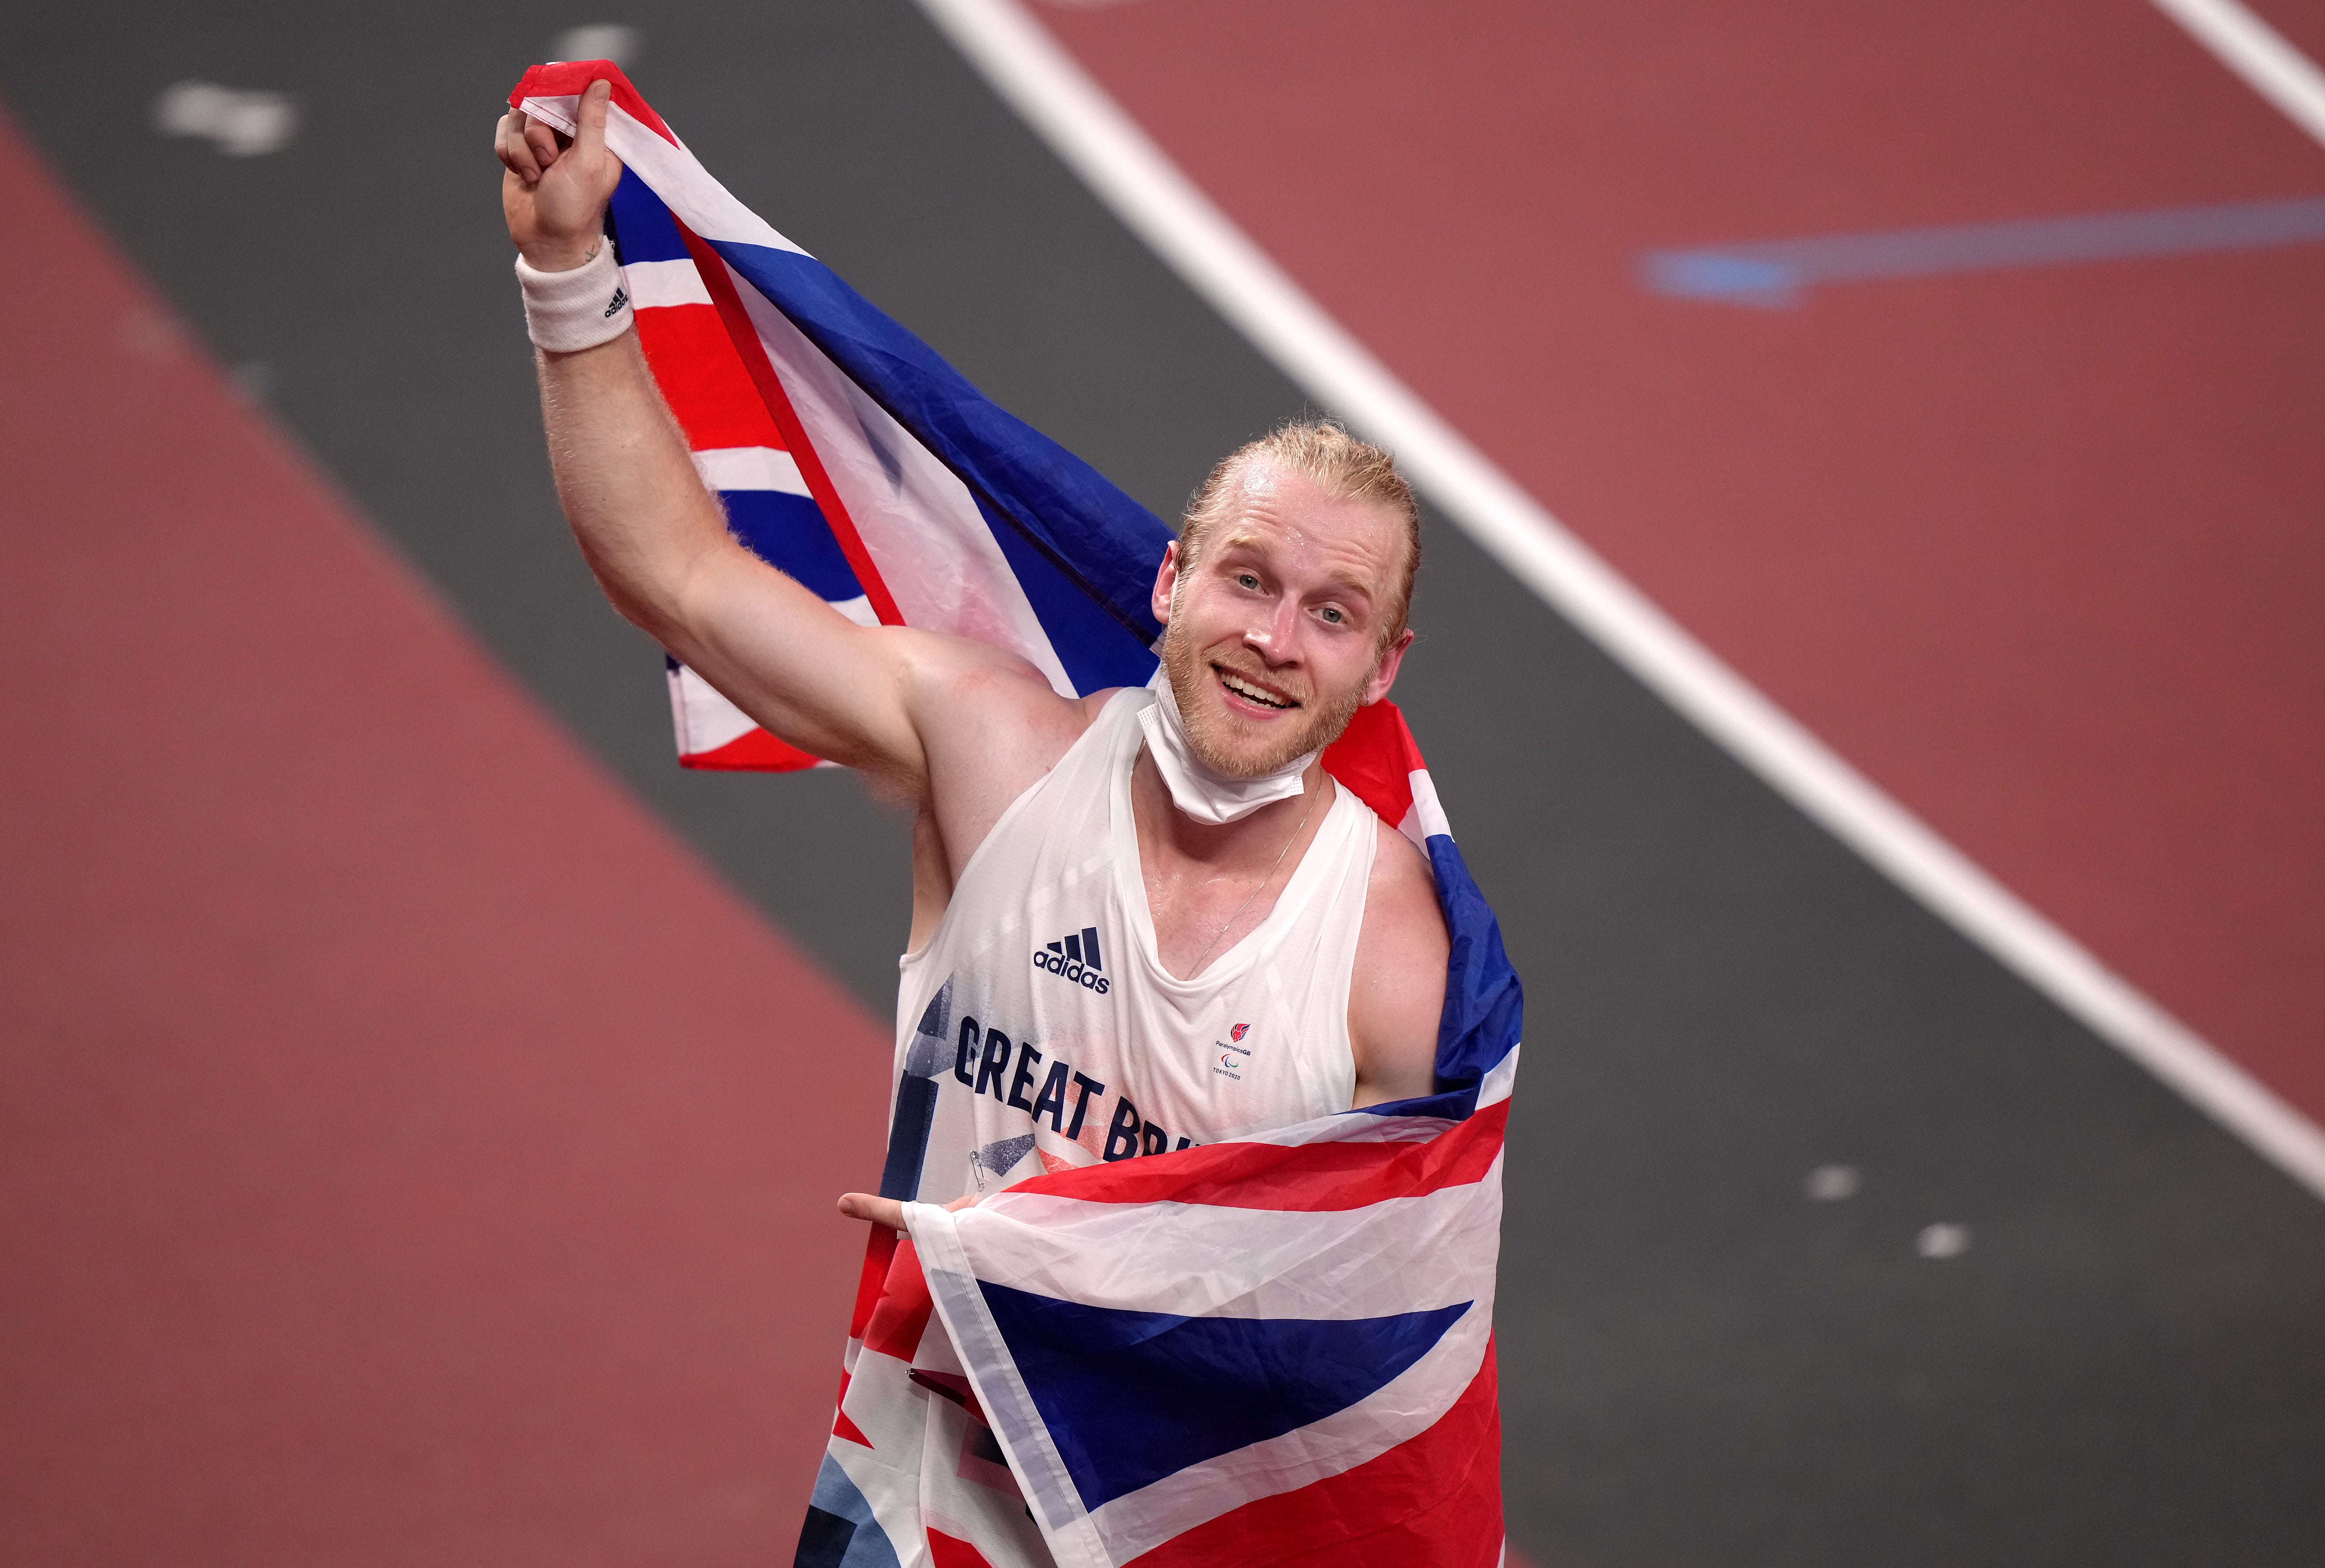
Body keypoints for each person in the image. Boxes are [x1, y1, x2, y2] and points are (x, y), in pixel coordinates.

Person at [496, 79, 1455, 1561]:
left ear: (1381, 670)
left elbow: (1381, 1353)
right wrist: (567, 275)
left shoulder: (1386, 943)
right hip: (919, 1509)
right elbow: (678, 577)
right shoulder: (999, 749)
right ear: (1171, 582)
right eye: (1249, 580)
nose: (1275, 637)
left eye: (1333, 614)